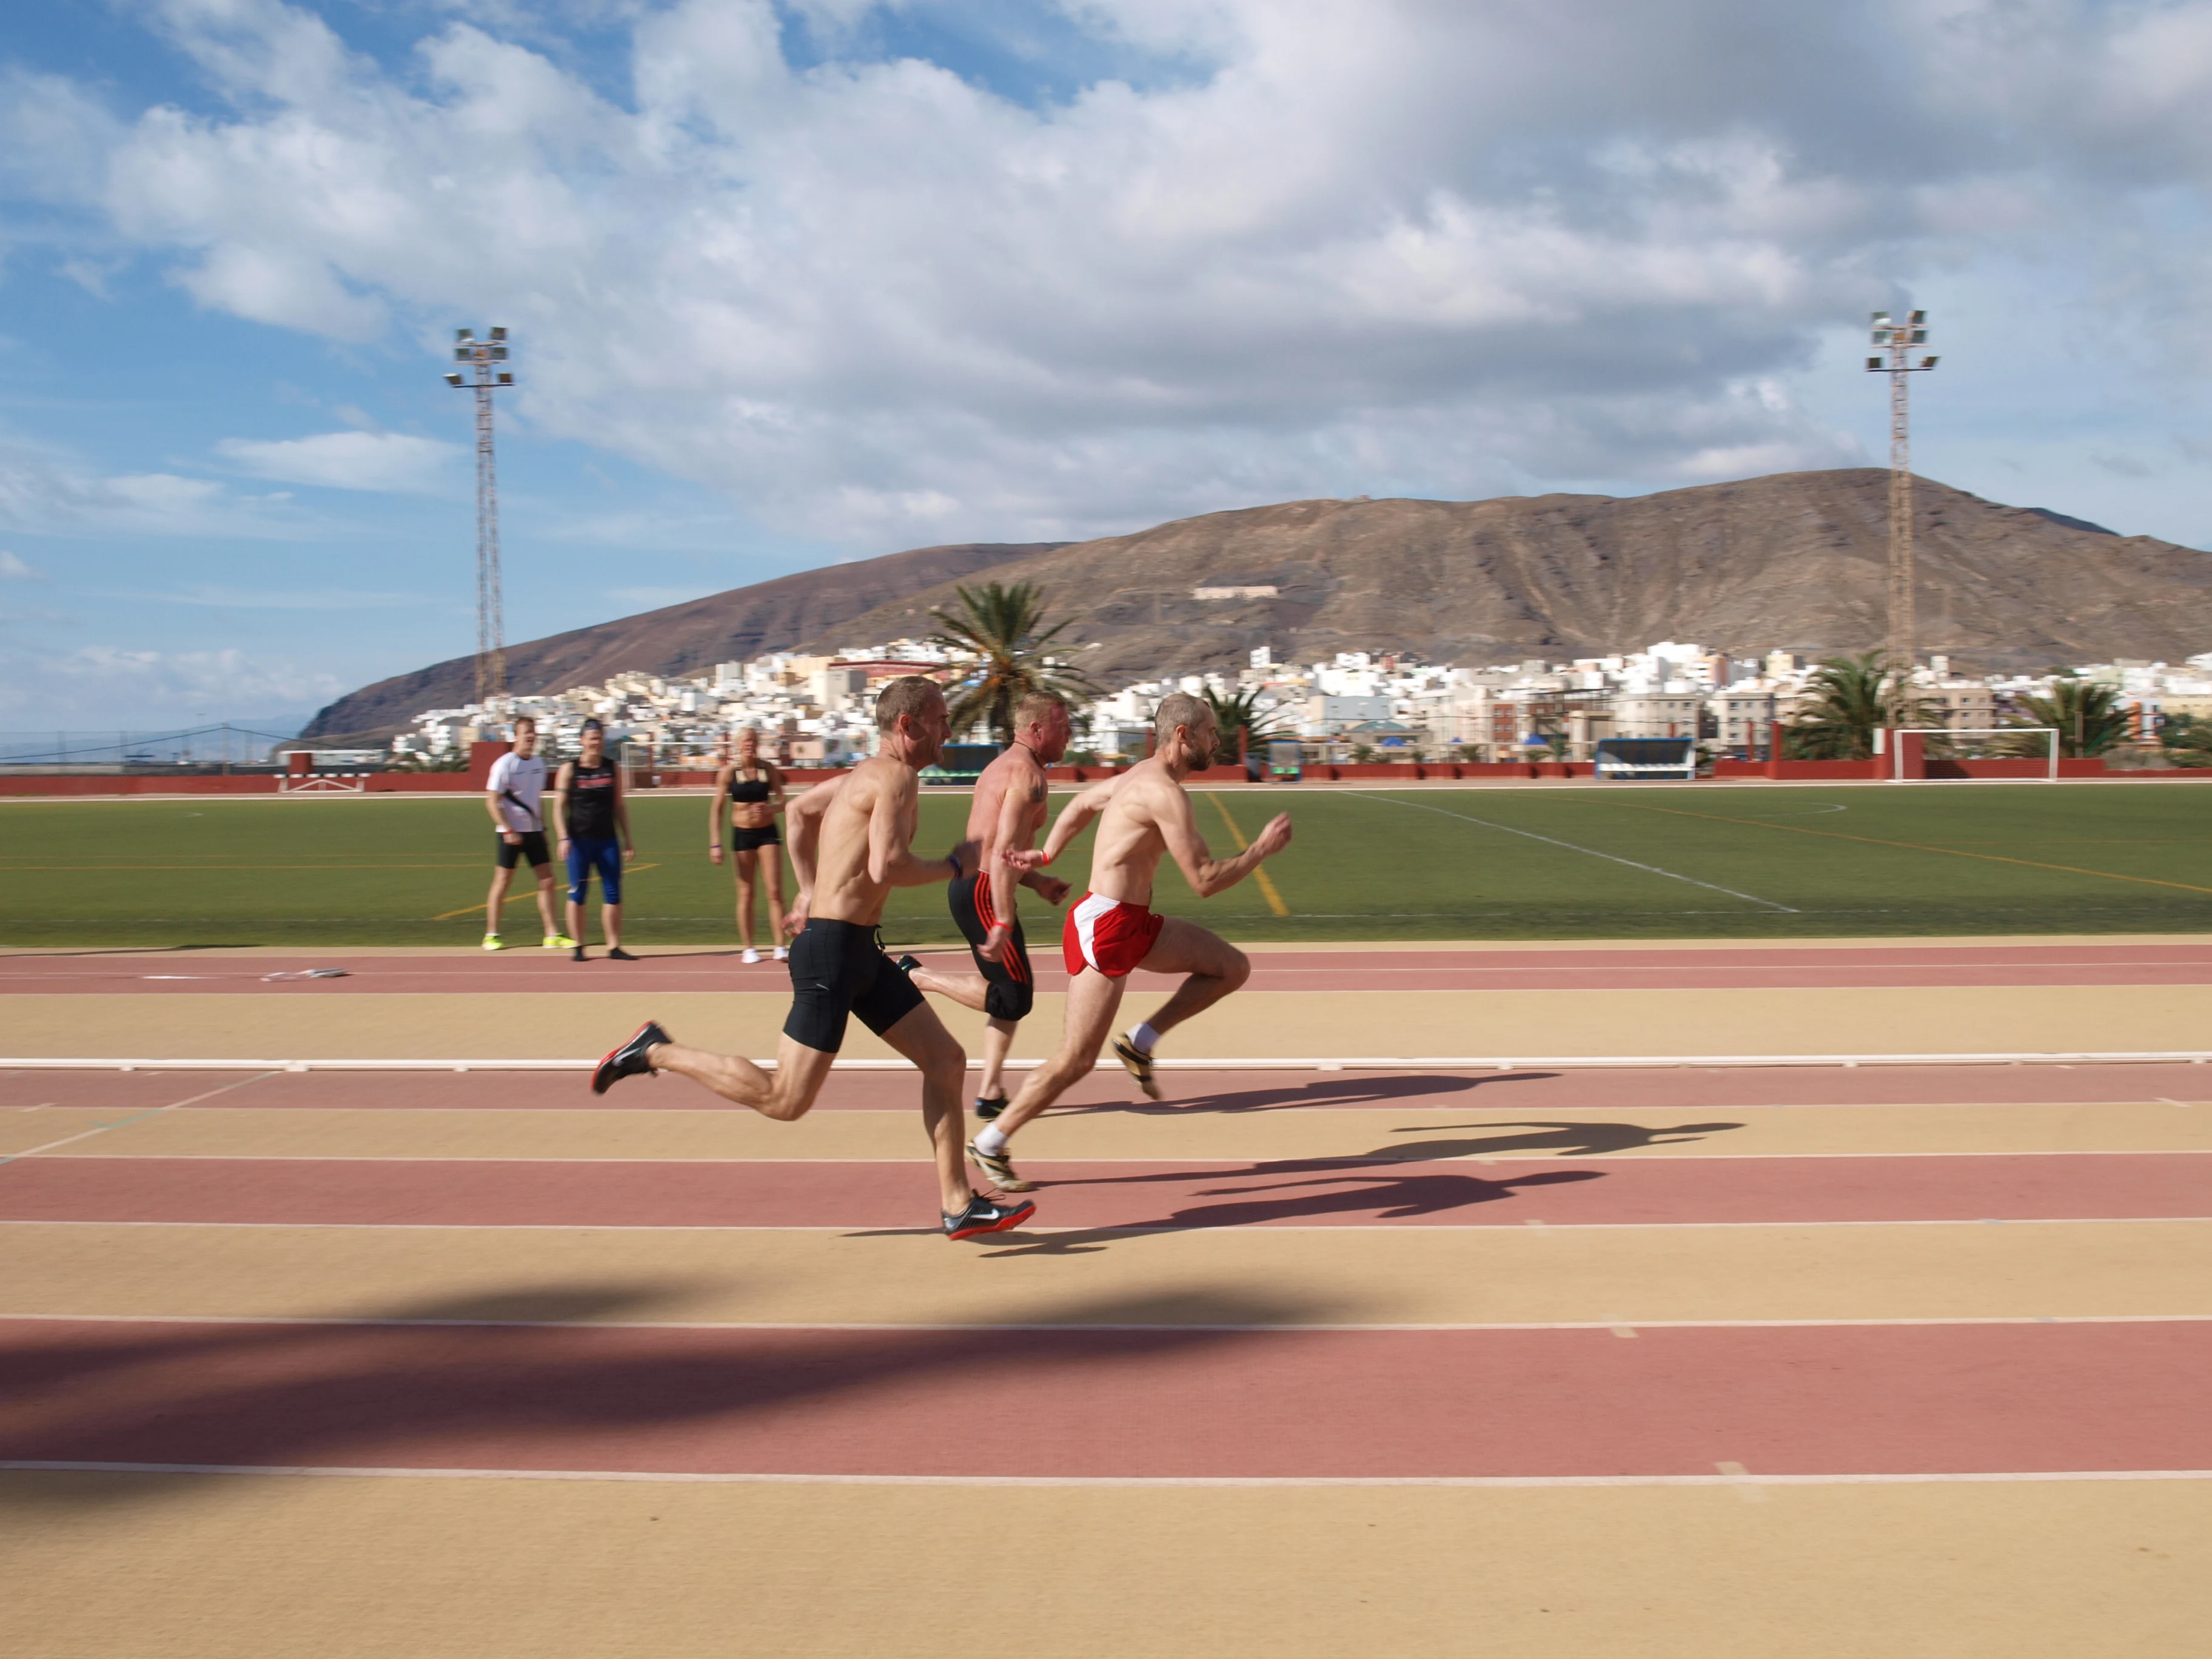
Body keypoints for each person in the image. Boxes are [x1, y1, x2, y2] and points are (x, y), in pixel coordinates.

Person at [590, 676, 1036, 1241]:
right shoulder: (894, 777)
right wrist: (956, 865)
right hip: (830, 953)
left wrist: (807, 889)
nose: (949, 729)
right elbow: (886, 868)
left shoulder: (864, 777)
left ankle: (957, 1204)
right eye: (941, 720)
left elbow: (799, 813)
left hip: (859, 949)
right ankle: (654, 1051)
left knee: (946, 1061)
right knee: (785, 1100)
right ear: (908, 725)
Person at [967, 691, 1291, 1193]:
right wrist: (1261, 851)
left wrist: (1047, 853)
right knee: (1075, 1059)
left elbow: (1081, 802)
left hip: (1132, 921)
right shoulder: (1163, 792)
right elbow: (1204, 879)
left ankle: (1140, 1042)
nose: (1216, 740)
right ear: (1182, 735)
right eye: (1209, 732)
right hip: (1108, 928)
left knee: (1231, 968)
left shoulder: (1138, 776)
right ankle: (990, 1141)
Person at [896, 691, 1073, 1121]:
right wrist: (1004, 919)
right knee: (1014, 999)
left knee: (1011, 988)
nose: (1068, 735)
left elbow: (999, 848)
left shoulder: (1003, 766)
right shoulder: (1029, 779)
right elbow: (1002, 852)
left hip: (977, 885)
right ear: (1036, 729)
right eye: (1063, 727)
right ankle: (917, 976)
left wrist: (1038, 882)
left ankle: (991, 1089)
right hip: (985, 890)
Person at [480, 716, 571, 951]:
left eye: (533, 732)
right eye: (526, 733)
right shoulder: (505, 764)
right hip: (509, 834)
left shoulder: (539, 764)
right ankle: (492, 935)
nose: (531, 737)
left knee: (548, 881)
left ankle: (552, 934)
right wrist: (508, 830)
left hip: (534, 833)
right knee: (503, 882)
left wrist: (542, 828)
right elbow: (491, 802)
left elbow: (536, 799)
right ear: (516, 736)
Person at [551, 718, 636, 963]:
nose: (595, 743)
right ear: (582, 740)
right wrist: (562, 837)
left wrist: (628, 840)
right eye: (591, 738)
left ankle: (614, 946)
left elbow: (619, 805)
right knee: (577, 893)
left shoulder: (612, 768)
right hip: (578, 842)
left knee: (613, 894)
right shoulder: (569, 769)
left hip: (607, 841)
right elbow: (558, 807)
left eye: (599, 738)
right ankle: (578, 946)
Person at [709, 727, 789, 965]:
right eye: (745, 741)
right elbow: (717, 810)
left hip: (768, 834)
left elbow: (783, 801)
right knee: (746, 892)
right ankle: (749, 948)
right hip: (742, 835)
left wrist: (771, 809)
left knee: (774, 892)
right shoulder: (728, 773)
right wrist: (716, 843)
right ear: (737, 744)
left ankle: (780, 946)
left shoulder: (768, 769)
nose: (750, 744)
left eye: (753, 741)